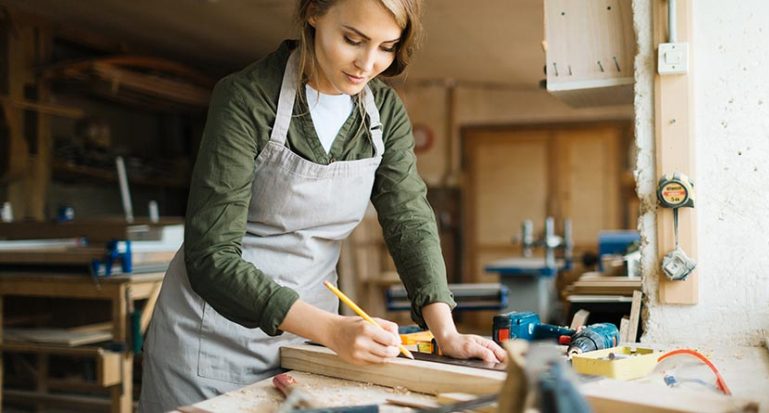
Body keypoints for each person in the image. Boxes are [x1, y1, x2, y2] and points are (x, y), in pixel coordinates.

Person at [138, 0, 506, 411]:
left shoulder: (383, 111)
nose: (367, 64)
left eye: (387, 47)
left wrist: (446, 332)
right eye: (353, 40)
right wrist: (332, 330)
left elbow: (409, 218)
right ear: (313, 13)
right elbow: (211, 257)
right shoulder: (247, 97)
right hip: (212, 338)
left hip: (311, 339)